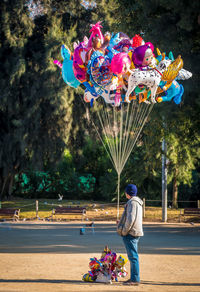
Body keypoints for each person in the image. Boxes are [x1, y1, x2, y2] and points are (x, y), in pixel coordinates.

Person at [117, 184, 143, 286]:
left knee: (133, 257)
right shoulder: (137, 202)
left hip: (131, 233)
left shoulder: (132, 202)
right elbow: (131, 218)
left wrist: (123, 231)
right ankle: (133, 278)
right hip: (135, 231)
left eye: (126, 192)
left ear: (128, 193)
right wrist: (121, 222)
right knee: (133, 256)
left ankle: (135, 279)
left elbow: (131, 219)